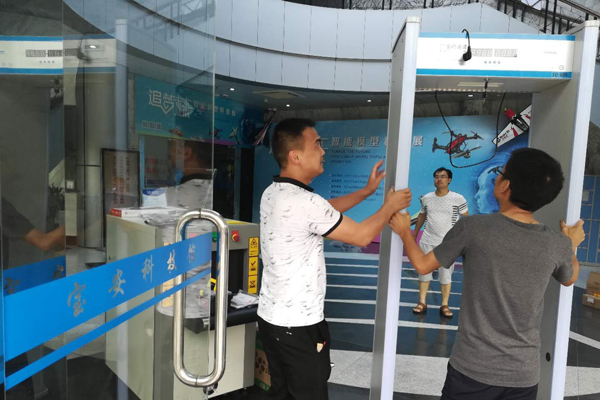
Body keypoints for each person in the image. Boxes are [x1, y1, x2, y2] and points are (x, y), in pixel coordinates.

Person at [389, 148, 585, 400]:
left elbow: (423, 265)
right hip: (523, 375)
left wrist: (404, 231)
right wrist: (571, 245)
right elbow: (570, 278)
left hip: (471, 369)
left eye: (500, 172)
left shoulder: (473, 228)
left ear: (505, 186)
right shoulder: (556, 242)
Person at [258, 118, 411, 400]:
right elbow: (362, 236)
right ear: (295, 156)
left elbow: (325, 210)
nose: (323, 150)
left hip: (272, 318)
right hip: (299, 324)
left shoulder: (276, 192)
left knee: (283, 391)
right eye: (317, 144)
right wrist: (389, 206)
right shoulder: (304, 202)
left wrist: (366, 192)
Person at [411, 167, 468, 318]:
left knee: (445, 275)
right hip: (427, 240)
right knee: (424, 273)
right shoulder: (427, 198)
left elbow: (466, 219)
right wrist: (415, 234)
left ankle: (445, 305)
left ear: (449, 180)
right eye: (436, 176)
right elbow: (421, 216)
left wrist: (463, 239)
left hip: (448, 243)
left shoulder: (458, 198)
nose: (439, 179)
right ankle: (422, 302)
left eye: (443, 176)